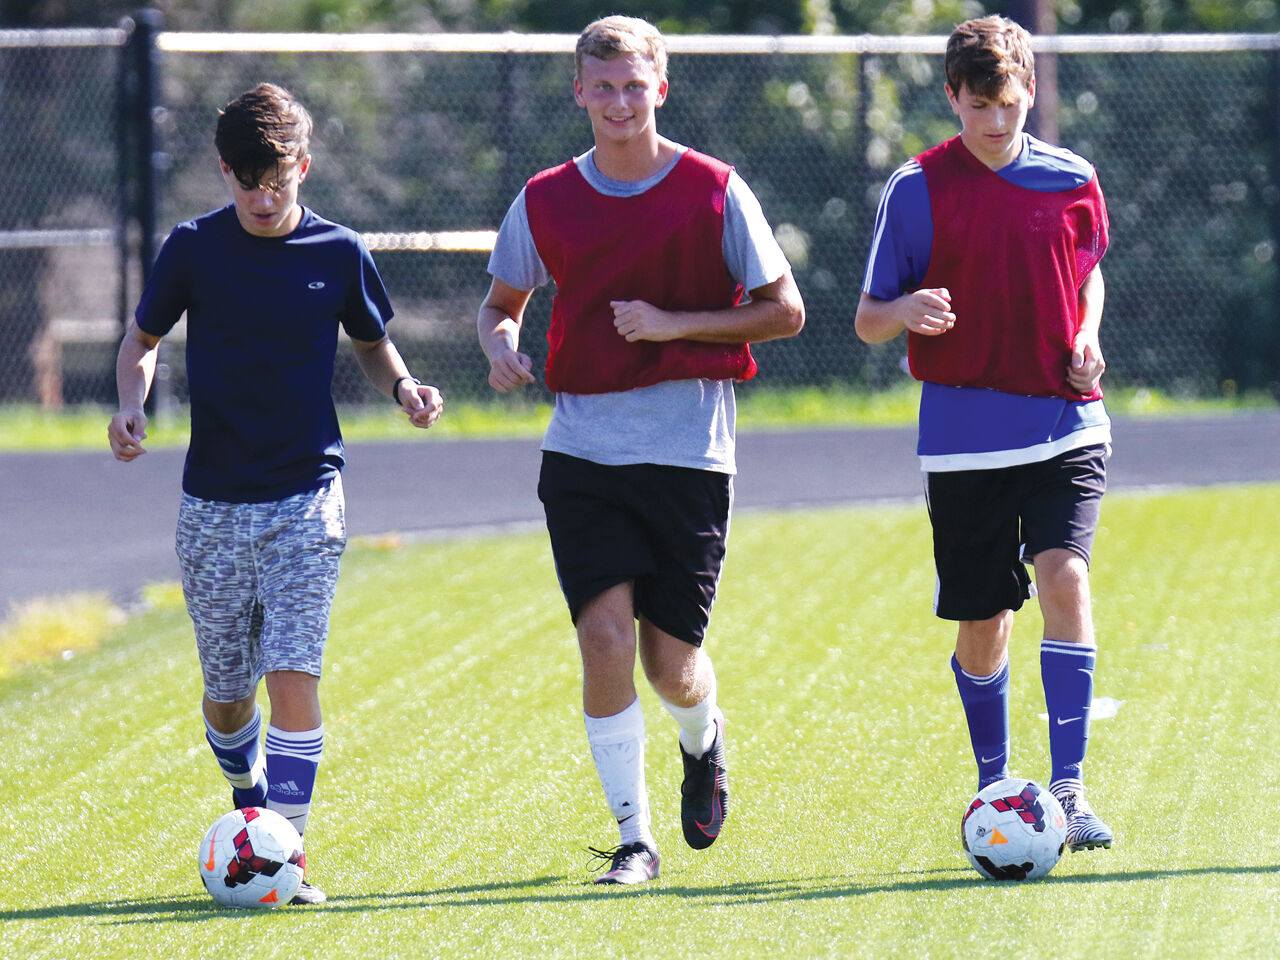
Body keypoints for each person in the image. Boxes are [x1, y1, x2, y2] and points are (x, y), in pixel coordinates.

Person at [477, 16, 804, 885]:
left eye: (635, 86)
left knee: (672, 663)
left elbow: (785, 310)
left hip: (691, 453)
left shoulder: (714, 189)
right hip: (582, 451)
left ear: (661, 88)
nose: (620, 102)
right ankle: (634, 839)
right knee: (605, 638)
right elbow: (501, 301)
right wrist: (500, 344)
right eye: (603, 86)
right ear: (579, 92)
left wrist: (674, 325)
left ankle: (705, 740)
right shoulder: (544, 198)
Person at [108, 82, 444, 904]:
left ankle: (284, 862)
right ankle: (250, 803)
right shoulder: (193, 248)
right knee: (228, 696)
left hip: (306, 494)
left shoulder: (338, 252)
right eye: (247, 182)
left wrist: (403, 389)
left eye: (279, 181)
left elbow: (373, 344)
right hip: (213, 501)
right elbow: (140, 341)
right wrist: (130, 401)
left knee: (293, 669)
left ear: (304, 166)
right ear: (225, 171)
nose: (263, 198)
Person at [854, 14, 1113, 853]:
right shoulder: (916, 189)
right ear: (952, 99)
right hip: (965, 439)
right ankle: (996, 786)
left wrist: (1088, 334)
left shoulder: (1073, 177)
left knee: (1066, 576)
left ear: (1030, 92)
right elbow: (866, 321)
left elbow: (1088, 274)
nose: (998, 123)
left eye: (1010, 104)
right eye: (979, 106)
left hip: (1065, 423)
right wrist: (906, 309)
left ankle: (1069, 791)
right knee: (986, 615)